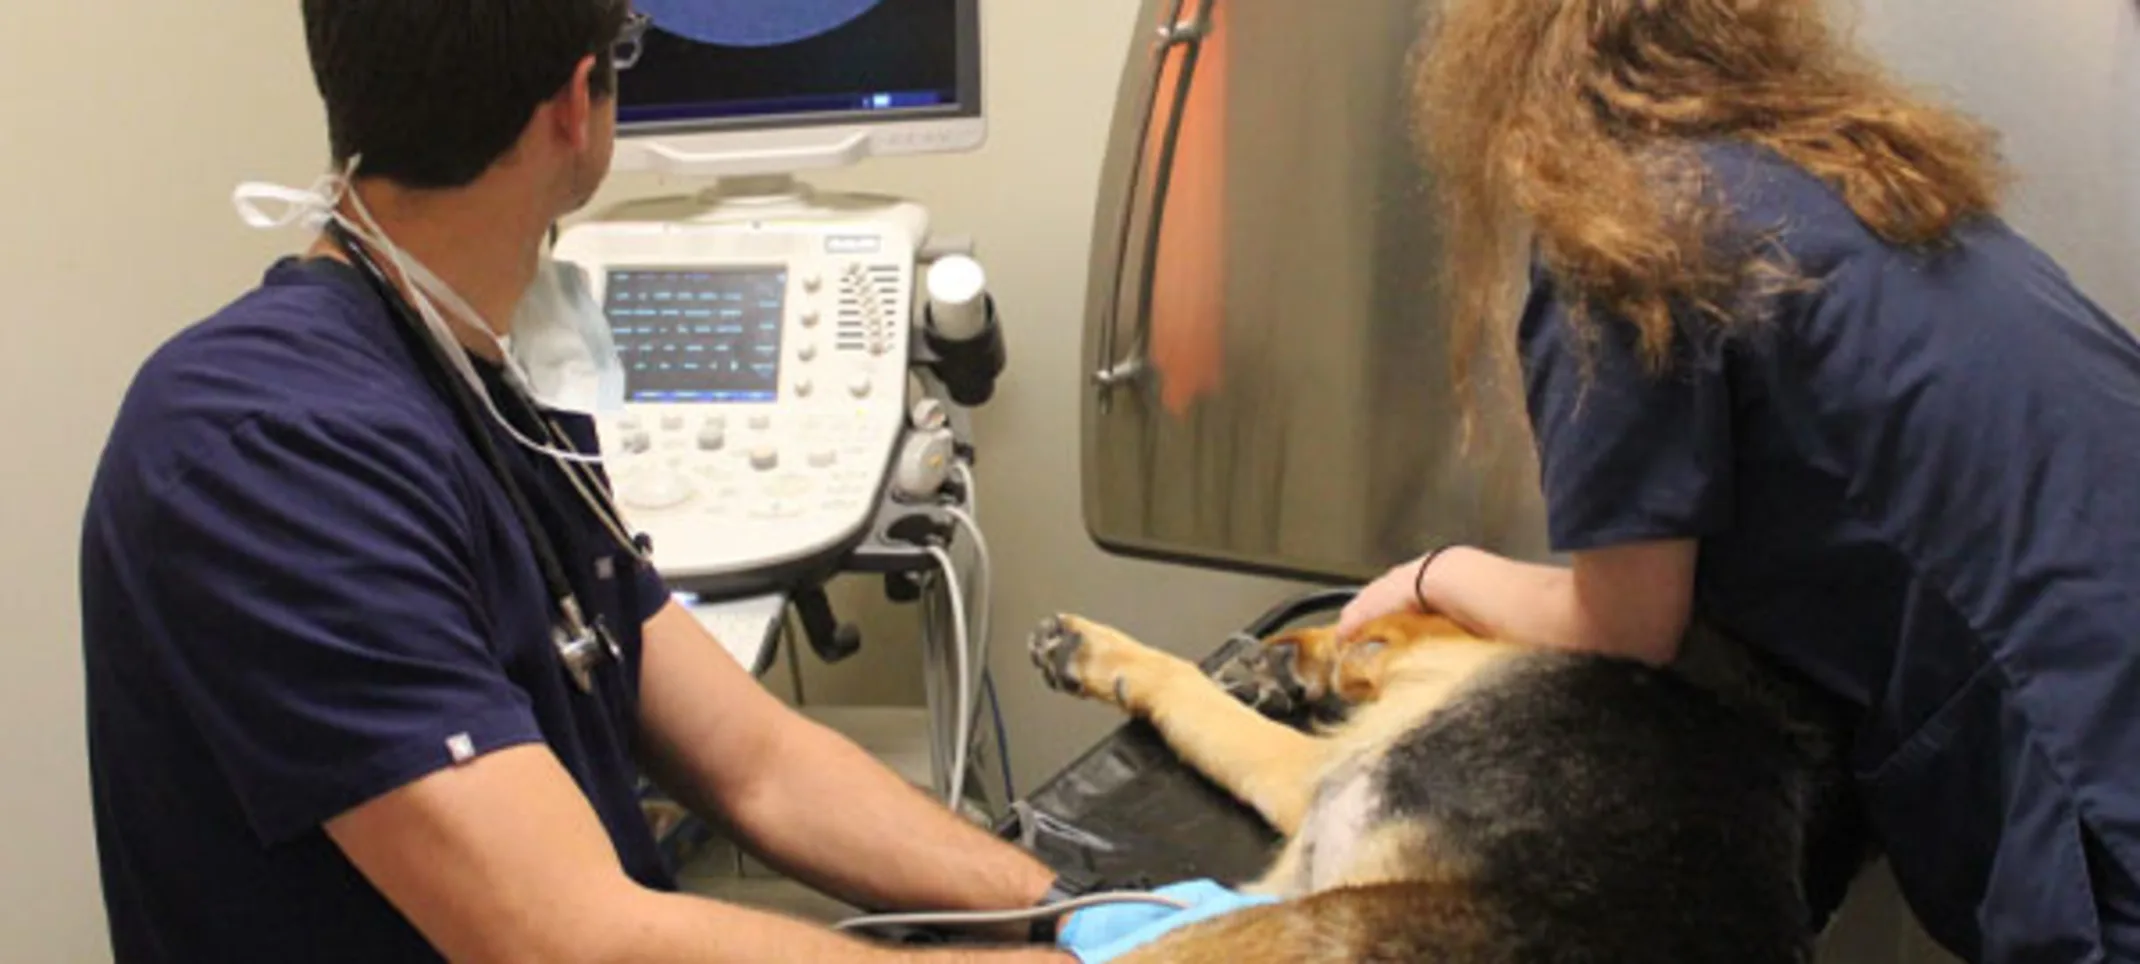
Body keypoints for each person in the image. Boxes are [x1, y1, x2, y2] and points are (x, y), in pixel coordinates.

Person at [77, 2, 1249, 961]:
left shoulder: (468, 387)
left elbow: (759, 763)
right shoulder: (263, 447)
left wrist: (1070, 908)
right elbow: (570, 937)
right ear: (576, 105)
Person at [1333, 1, 2140, 961]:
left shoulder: (1633, 235)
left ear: (1499, 61)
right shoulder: (1848, 165)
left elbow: (1626, 624)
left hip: (2094, 758)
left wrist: (1438, 573)